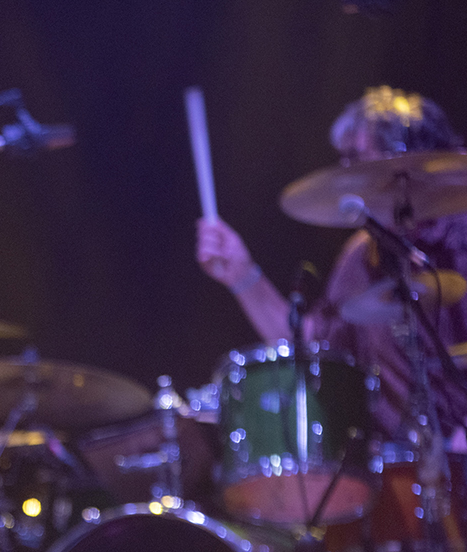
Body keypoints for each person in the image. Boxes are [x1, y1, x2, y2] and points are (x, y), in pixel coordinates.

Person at [196, 86, 467, 444]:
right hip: (405, 462)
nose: (345, 173)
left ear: (405, 164)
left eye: (356, 158)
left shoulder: (460, 236)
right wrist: (242, 276)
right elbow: (315, 347)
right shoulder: (362, 256)